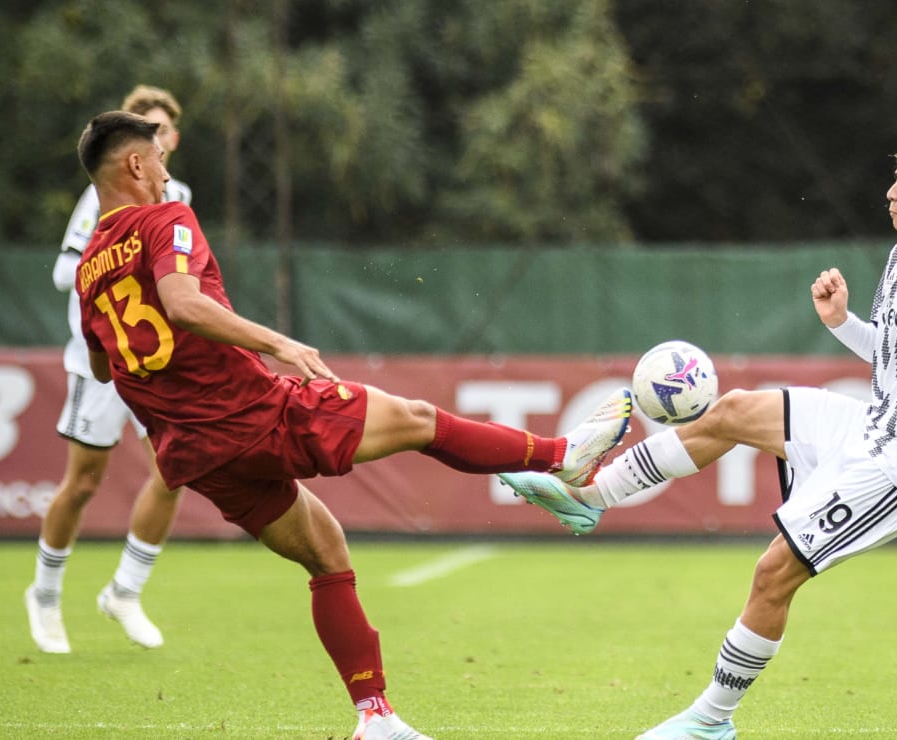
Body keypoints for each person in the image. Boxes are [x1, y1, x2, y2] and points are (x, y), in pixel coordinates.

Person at [69, 109, 633, 740]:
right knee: (420, 420)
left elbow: (100, 365)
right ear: (137, 164)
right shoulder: (164, 218)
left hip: (198, 455)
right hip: (253, 411)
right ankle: (565, 456)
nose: (167, 173)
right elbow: (181, 303)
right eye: (162, 161)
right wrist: (277, 343)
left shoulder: (90, 266)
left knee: (327, 554)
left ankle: (375, 717)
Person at [501, 140, 897, 739]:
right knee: (736, 409)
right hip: (871, 426)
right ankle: (590, 498)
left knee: (774, 573)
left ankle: (712, 722)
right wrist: (843, 323)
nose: (891, 193)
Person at [26, 85, 195, 654]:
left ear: (172, 138)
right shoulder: (101, 198)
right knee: (83, 485)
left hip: (153, 366)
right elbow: (64, 273)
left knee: (174, 472)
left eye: (165, 128)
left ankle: (125, 589)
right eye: (148, 127)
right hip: (97, 362)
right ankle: (44, 596)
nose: (158, 139)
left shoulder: (179, 197)